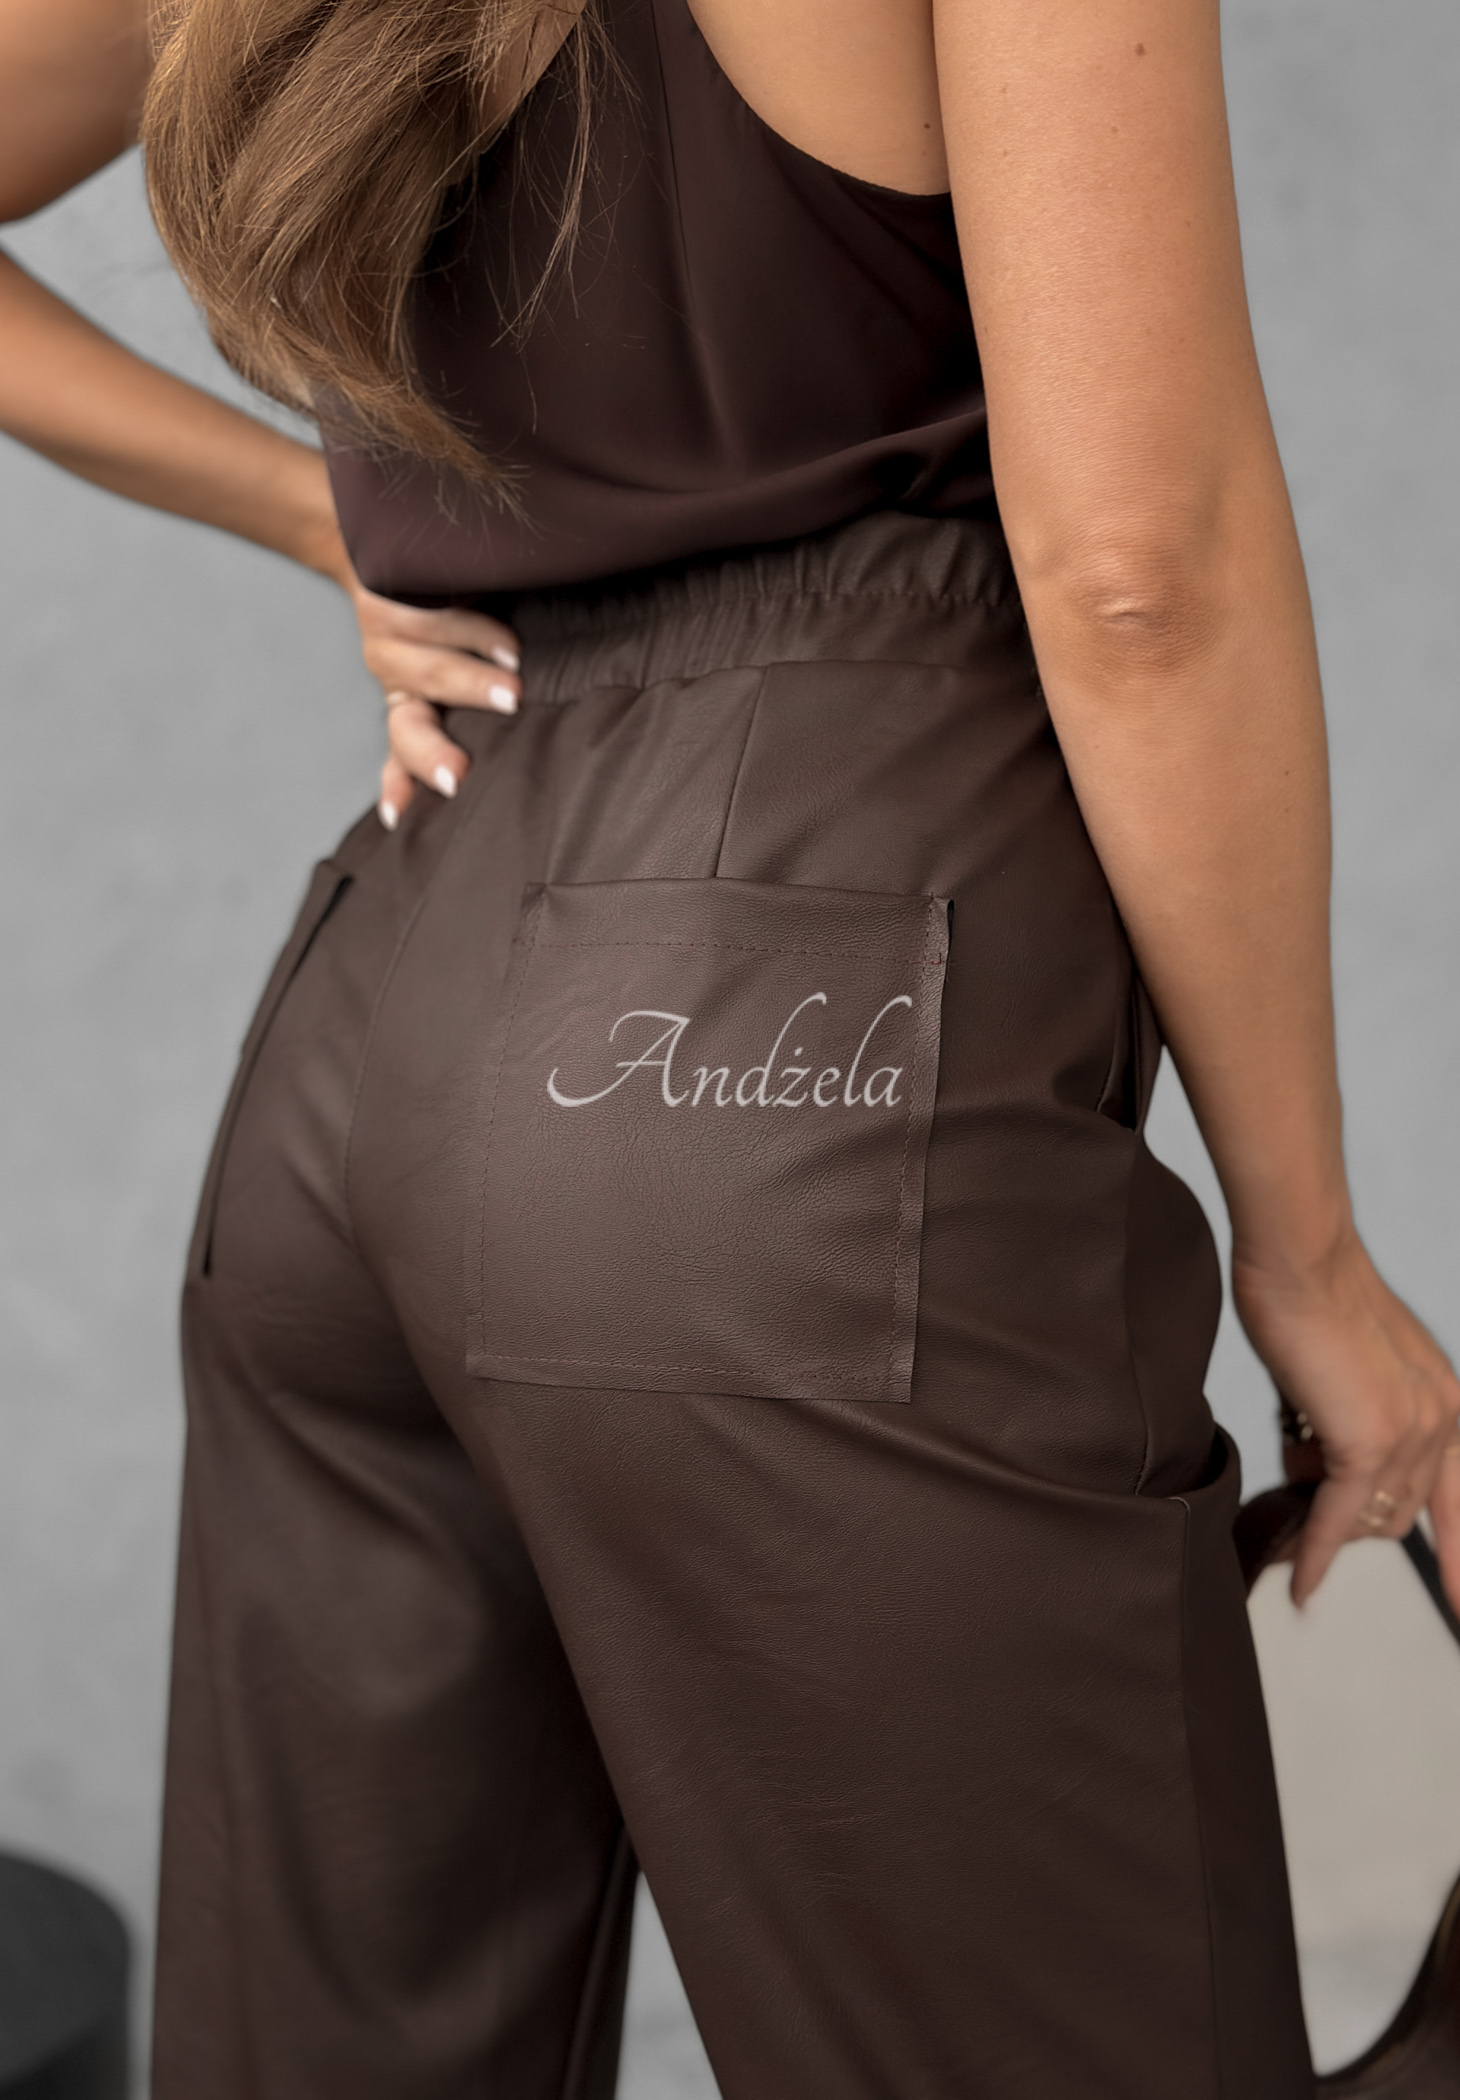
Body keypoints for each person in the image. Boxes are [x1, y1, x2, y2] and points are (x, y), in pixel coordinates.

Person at [3, 0, 1458, 2091]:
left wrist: (338, 517)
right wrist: (1305, 1252)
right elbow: (1142, 578)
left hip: (362, 1046)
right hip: (792, 1038)